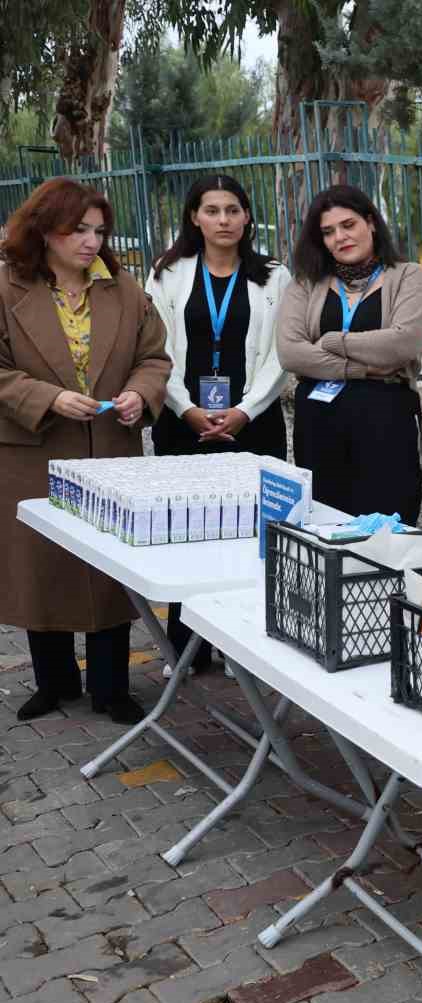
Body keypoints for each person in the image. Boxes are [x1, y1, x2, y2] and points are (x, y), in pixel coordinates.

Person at [0, 178, 173, 725]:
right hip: (33, 448)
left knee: (108, 571)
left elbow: (154, 359)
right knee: (41, 566)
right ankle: (53, 683)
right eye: (78, 230)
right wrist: (47, 397)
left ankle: (111, 687)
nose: (92, 242)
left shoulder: (123, 290)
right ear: (44, 229)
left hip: (111, 451)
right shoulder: (7, 288)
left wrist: (138, 395)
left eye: (99, 231)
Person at [146, 174, 292, 676]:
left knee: (247, 537)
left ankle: (239, 647)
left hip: (253, 423)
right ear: (195, 217)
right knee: (188, 533)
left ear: (248, 217)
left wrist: (245, 410)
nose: (223, 220)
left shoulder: (275, 276)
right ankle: (184, 649)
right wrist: (186, 407)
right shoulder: (168, 272)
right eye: (212, 210)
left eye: (233, 209)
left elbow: (281, 354)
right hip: (182, 421)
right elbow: (155, 349)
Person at [277, 184, 422, 524]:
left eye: (348, 225)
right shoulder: (306, 283)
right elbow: (291, 353)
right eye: (328, 232)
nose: (340, 237)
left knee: (385, 537)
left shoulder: (409, 277)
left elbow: (401, 345)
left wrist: (333, 340)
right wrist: (364, 368)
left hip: (385, 423)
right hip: (317, 425)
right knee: (324, 533)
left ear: (371, 223)